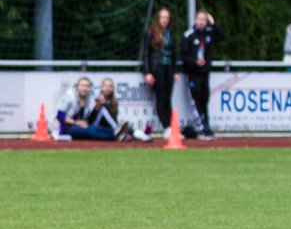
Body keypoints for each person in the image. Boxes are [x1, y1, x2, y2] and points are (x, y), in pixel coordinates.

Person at [181, 10, 225, 139]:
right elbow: (184, 55)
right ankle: (203, 127)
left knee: (204, 100)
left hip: (204, 73)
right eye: (199, 19)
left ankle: (206, 126)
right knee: (196, 99)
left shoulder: (208, 34)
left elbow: (222, 36)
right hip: (193, 73)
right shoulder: (188, 35)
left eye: (204, 20)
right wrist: (195, 63)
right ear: (195, 20)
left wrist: (213, 22)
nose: (201, 22)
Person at [139, 7, 181, 139]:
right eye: (162, 17)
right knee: (161, 97)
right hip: (157, 68)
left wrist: (175, 71)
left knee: (168, 98)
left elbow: (174, 54)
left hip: (168, 68)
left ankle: (170, 128)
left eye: (167, 18)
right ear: (158, 18)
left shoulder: (170, 33)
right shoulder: (150, 32)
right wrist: (147, 72)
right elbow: (145, 54)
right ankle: (167, 126)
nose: (164, 20)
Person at [55, 77, 126, 141]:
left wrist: (99, 105)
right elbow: (59, 116)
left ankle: (118, 133)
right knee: (91, 131)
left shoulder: (89, 98)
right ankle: (115, 136)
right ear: (77, 87)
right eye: (82, 86)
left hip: (82, 125)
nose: (85, 88)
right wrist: (76, 122)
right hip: (66, 128)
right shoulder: (70, 97)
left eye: (87, 86)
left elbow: (91, 116)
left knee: (96, 128)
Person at [92, 77, 149, 142]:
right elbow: (92, 118)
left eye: (110, 86)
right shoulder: (96, 99)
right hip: (98, 128)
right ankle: (121, 132)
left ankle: (141, 135)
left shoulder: (113, 101)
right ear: (101, 87)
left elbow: (113, 117)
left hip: (109, 129)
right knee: (103, 109)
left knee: (128, 130)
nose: (108, 88)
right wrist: (100, 105)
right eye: (106, 86)